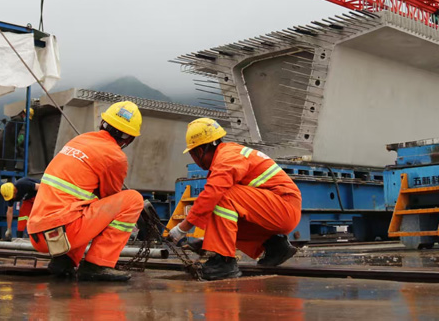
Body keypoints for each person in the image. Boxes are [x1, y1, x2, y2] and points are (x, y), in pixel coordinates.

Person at [168, 118, 301, 281]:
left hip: (283, 207)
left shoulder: (226, 158)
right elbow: (228, 218)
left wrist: (182, 228)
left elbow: (213, 194)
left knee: (221, 196)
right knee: (222, 203)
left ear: (200, 151)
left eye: (192, 153)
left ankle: (224, 263)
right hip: (279, 208)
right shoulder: (229, 154)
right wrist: (206, 240)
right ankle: (274, 245)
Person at [27, 101, 144, 282]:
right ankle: (98, 265)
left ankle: (64, 261)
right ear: (129, 138)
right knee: (133, 199)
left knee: (82, 203)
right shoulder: (115, 156)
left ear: (103, 123)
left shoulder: (79, 140)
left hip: (38, 234)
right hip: (64, 232)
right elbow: (110, 198)